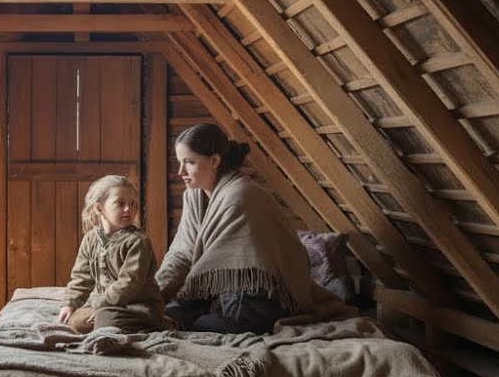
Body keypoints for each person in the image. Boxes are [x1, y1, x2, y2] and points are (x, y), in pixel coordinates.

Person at [157, 123, 337, 334]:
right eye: (179, 162)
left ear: (214, 161)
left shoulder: (241, 195)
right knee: (167, 314)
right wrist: (153, 293)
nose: (180, 171)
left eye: (189, 162)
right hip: (222, 290)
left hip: (260, 295)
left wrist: (178, 301)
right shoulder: (194, 196)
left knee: (201, 324)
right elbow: (183, 252)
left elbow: (210, 267)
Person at [58, 175, 164, 334]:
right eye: (120, 204)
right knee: (76, 321)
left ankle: (155, 323)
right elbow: (82, 277)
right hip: (103, 304)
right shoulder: (90, 239)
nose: (128, 209)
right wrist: (70, 304)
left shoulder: (138, 242)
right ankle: (104, 321)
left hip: (137, 306)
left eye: (132, 204)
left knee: (107, 319)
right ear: (99, 208)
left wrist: (102, 306)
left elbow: (129, 283)